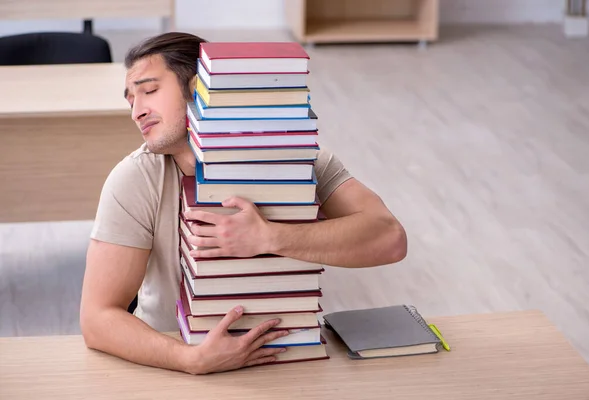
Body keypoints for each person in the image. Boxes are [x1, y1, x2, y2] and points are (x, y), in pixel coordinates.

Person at [80, 32, 407, 375]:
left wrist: (269, 237)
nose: (136, 111)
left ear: (200, 88)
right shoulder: (135, 178)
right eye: (130, 100)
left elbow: (390, 238)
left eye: (149, 91)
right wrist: (190, 359)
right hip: (171, 360)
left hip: (288, 358)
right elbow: (97, 318)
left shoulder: (298, 159)